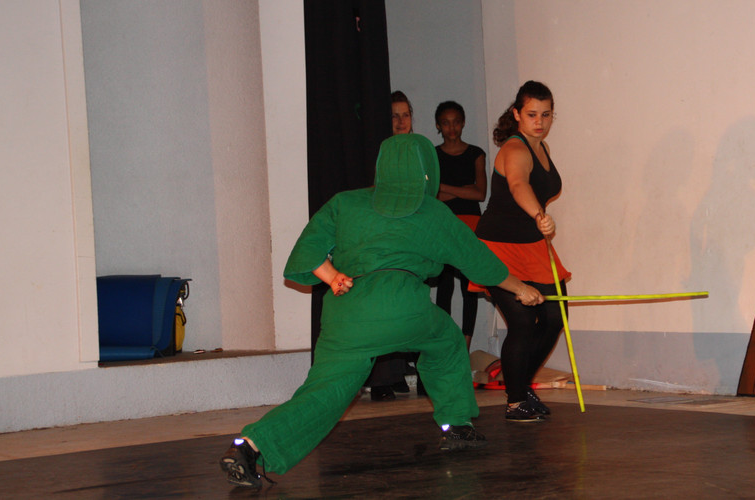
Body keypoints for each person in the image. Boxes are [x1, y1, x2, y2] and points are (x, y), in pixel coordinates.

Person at [219, 133, 545, 488]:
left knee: (325, 391)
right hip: (405, 307)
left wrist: (332, 276)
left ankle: (251, 446)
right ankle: (457, 426)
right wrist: (522, 289)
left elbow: (305, 253)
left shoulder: (344, 203)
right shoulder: (432, 211)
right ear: (426, 171)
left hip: (347, 315)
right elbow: (479, 261)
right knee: (448, 340)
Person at [473, 81, 570, 422]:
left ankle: (520, 385)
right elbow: (518, 185)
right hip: (498, 248)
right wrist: (539, 215)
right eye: (531, 115)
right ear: (516, 114)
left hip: (533, 247)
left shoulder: (542, 147)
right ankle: (516, 401)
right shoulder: (514, 149)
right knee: (523, 322)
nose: (539, 122)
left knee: (556, 317)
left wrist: (538, 222)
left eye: (546, 115)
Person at [366, 89, 418, 401]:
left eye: (405, 114)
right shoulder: (380, 150)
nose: (400, 121)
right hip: (385, 232)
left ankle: (398, 370)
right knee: (384, 302)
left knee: (406, 301)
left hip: (410, 232)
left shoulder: (418, 150)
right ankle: (381, 378)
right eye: (394, 116)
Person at [433, 101, 487, 349]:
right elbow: (432, 197)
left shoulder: (476, 153)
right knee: (444, 285)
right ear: (438, 126)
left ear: (463, 123)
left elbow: (480, 194)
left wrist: (444, 187)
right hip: (444, 225)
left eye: (456, 122)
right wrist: (464, 190)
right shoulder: (433, 155)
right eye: (446, 123)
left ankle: (465, 345)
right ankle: (445, 343)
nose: (452, 127)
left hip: (471, 226)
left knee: (469, 286)